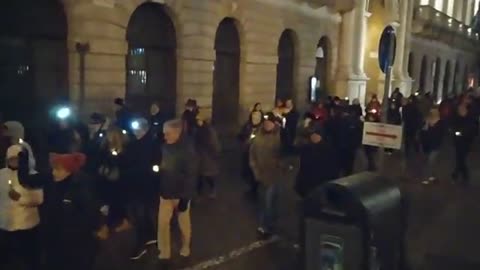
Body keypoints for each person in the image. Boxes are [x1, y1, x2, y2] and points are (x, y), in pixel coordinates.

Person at [17, 151, 105, 270]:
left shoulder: (81, 184)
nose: (53, 173)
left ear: (69, 171)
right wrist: (22, 159)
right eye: (53, 169)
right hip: (52, 232)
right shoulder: (50, 177)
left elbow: (90, 211)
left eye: (58, 170)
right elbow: (27, 180)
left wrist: (94, 227)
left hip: (72, 237)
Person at [157, 119, 198, 269]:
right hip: (166, 192)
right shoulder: (165, 146)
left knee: (184, 224)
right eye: (164, 133)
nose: (165, 136)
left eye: (167, 133)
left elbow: (191, 176)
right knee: (162, 223)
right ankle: (164, 251)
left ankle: (185, 246)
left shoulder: (188, 150)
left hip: (180, 195)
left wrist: (185, 198)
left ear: (177, 133)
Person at [0, 145, 43, 270]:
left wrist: (20, 198)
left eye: (17, 159)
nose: (14, 162)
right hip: (5, 225)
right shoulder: (1, 174)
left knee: (28, 258)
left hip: (27, 225)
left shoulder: (33, 175)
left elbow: (39, 199)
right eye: (11, 159)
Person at [123, 118, 161, 260]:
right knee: (140, 214)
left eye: (138, 129)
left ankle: (142, 241)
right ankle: (150, 236)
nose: (135, 131)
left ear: (144, 129)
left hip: (146, 185)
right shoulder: (134, 143)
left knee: (140, 214)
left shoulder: (152, 144)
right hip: (136, 184)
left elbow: (154, 166)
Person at [249, 112, 284, 238]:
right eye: (266, 123)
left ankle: (270, 224)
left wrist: (281, 165)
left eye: (270, 122)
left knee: (271, 201)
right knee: (263, 202)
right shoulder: (258, 137)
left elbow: (284, 153)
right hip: (261, 175)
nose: (267, 125)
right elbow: (252, 156)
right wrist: (256, 172)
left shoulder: (279, 136)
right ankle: (265, 225)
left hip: (274, 174)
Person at [97, 128, 131, 233]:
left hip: (118, 180)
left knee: (116, 201)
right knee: (110, 201)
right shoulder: (105, 147)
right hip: (107, 178)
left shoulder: (124, 149)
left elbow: (123, 163)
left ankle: (121, 222)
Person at [294, 124, 339, 198]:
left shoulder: (328, 149)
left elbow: (332, 168)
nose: (314, 137)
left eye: (316, 135)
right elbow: (302, 167)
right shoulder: (306, 149)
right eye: (312, 135)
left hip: (321, 182)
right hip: (307, 183)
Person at [238, 104, 264, 200]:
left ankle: (256, 192)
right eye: (253, 116)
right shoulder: (247, 126)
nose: (255, 118)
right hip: (247, 152)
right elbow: (240, 136)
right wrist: (245, 139)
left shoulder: (262, 128)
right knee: (249, 172)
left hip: (259, 155)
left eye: (257, 117)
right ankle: (252, 189)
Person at [195, 114, 221, 198]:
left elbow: (214, 144)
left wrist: (215, 154)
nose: (197, 122)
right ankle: (199, 192)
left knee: (208, 174)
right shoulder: (197, 130)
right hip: (200, 155)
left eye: (199, 120)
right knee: (200, 175)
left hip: (208, 155)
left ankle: (212, 189)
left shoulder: (209, 130)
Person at [451, 103, 475, 185]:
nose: (459, 111)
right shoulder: (458, 118)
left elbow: (470, 131)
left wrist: (460, 133)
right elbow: (454, 127)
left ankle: (456, 175)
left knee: (461, 160)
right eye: (459, 110)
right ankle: (461, 175)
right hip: (458, 142)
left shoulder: (469, 119)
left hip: (466, 143)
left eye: (461, 110)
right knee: (460, 160)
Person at [420, 109, 444, 185]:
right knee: (428, 160)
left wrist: (432, 126)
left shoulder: (440, 123)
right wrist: (426, 124)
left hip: (435, 146)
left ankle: (426, 178)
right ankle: (432, 175)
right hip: (427, 145)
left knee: (429, 162)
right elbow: (423, 132)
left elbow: (439, 135)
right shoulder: (427, 121)